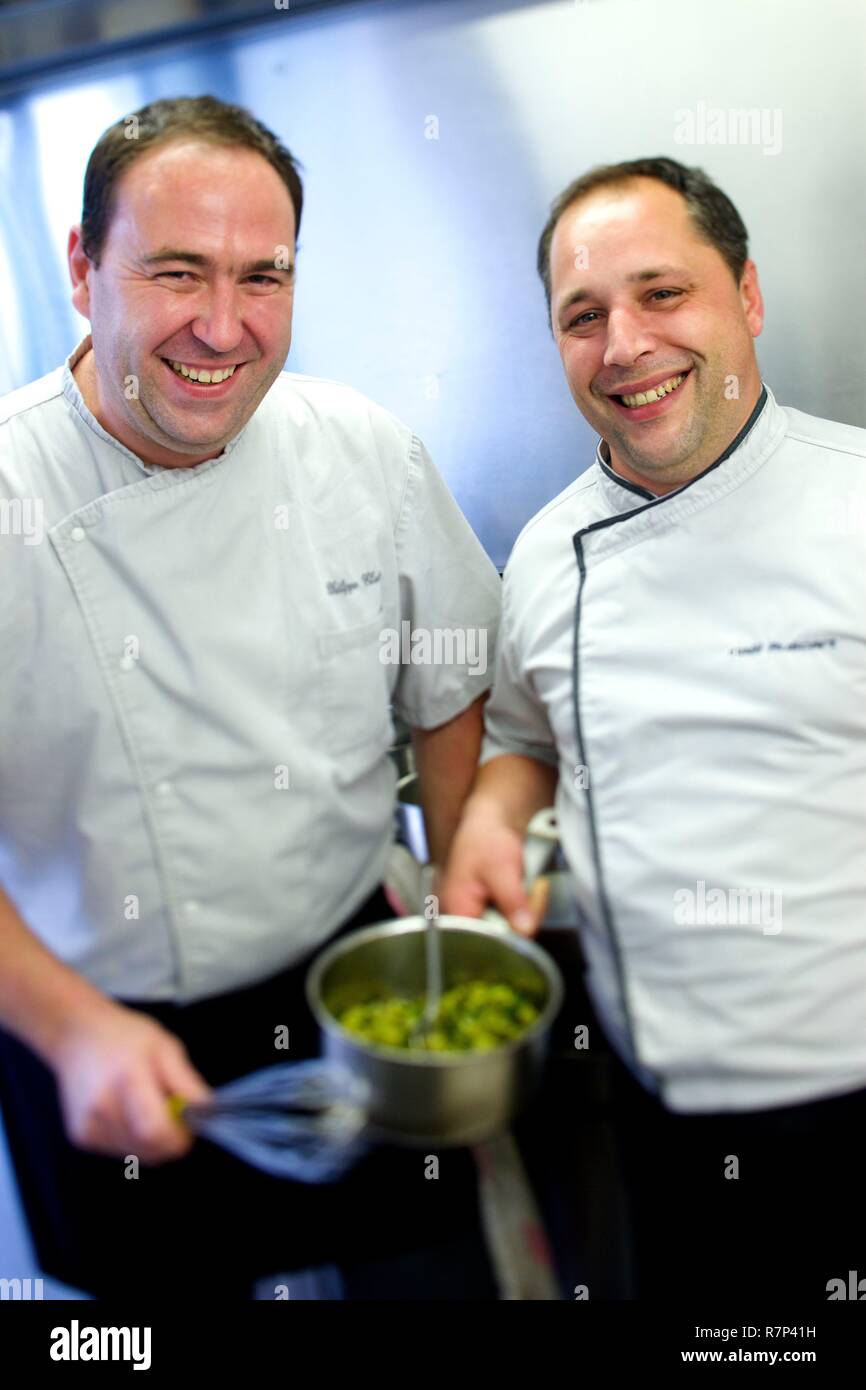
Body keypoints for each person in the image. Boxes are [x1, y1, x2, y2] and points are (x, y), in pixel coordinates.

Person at [0, 96, 501, 1300]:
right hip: (92, 1017)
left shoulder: (361, 450)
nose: (222, 327)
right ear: (82, 268)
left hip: (355, 984)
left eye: (261, 277)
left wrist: (454, 885)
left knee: (419, 1277)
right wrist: (71, 1031)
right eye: (176, 271)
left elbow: (447, 687)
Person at [441, 156, 866, 1301]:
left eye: (660, 294)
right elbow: (525, 741)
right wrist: (488, 816)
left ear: (748, 297)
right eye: (582, 315)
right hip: (655, 1094)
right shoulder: (541, 552)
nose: (622, 343)